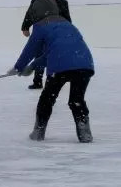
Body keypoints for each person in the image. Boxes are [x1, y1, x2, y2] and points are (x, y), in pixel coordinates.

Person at [9, 8, 94, 142]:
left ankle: (38, 131)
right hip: (84, 64)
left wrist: (18, 67)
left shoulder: (40, 27)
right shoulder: (68, 25)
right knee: (77, 100)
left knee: (47, 98)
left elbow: (30, 49)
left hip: (60, 67)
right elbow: (57, 51)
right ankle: (84, 132)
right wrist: (32, 67)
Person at [21, 0, 72, 89]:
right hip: (39, 31)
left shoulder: (62, 2)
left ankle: (54, 81)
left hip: (55, 34)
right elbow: (30, 13)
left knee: (54, 57)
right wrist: (25, 27)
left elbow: (67, 19)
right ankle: (37, 81)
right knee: (39, 56)